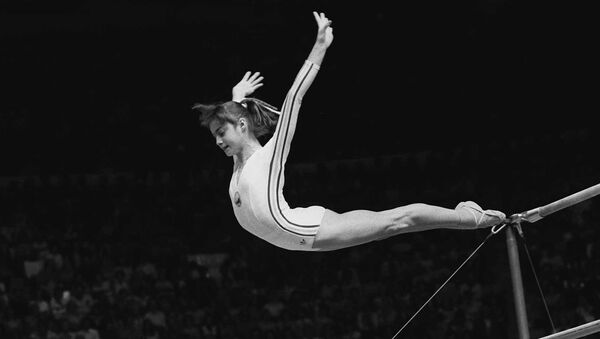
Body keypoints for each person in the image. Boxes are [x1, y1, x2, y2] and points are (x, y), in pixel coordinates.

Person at [193, 11, 506, 251]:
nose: (218, 141)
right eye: (215, 135)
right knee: (396, 225)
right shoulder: (240, 160)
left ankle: (471, 218)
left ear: (242, 125)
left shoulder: (268, 157)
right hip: (299, 228)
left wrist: (319, 47)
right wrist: (236, 97)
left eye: (221, 132)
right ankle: (466, 216)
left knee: (399, 221)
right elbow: (237, 124)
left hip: (307, 231)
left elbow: (294, 96)